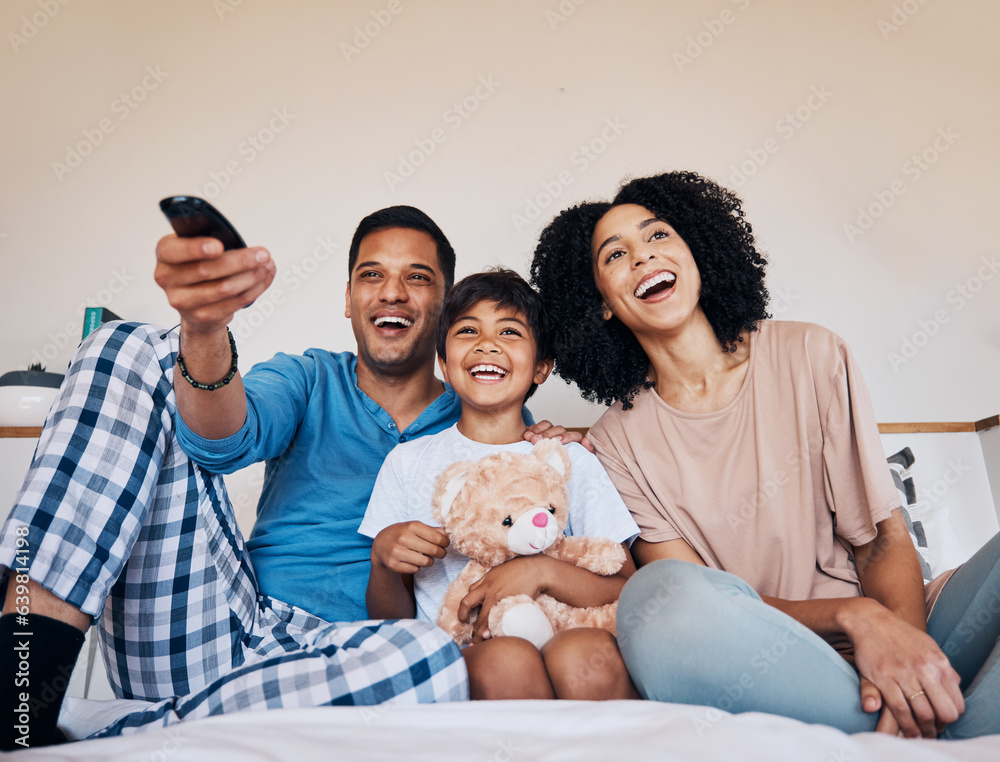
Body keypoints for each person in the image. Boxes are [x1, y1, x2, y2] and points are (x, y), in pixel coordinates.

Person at [0, 206, 571, 749]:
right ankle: (16, 692)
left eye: (417, 277)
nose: (392, 291)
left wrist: (572, 447)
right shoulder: (307, 378)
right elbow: (221, 439)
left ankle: (135, 733)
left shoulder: (493, 422)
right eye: (371, 275)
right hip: (226, 632)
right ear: (348, 300)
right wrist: (204, 328)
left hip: (366, 659)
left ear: (446, 306)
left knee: (430, 658)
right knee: (124, 345)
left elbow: (555, 529)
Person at [529, 171, 1000, 739]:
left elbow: (880, 543)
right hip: (774, 664)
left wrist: (906, 654)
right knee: (653, 599)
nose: (642, 257)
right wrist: (855, 617)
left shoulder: (811, 353)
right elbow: (701, 604)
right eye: (615, 255)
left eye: (657, 236)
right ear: (600, 304)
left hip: (902, 630)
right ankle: (955, 734)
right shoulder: (614, 445)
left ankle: (917, 727)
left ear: (695, 252)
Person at [360, 269, 641, 701]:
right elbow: (390, 623)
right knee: (506, 659)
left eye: (509, 332)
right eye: (467, 330)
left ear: (542, 367)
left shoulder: (570, 459)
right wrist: (383, 560)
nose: (486, 344)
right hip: (468, 647)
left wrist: (540, 571)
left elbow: (626, 586)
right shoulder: (407, 462)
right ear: (444, 364)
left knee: (586, 656)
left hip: (568, 631)